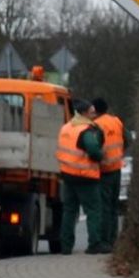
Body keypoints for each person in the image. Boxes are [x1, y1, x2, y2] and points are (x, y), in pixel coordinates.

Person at [55, 99, 106, 254]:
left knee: (69, 211)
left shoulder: (66, 127)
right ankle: (94, 244)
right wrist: (100, 155)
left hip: (68, 175)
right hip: (85, 177)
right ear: (83, 113)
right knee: (93, 210)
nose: (94, 115)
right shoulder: (86, 130)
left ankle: (66, 246)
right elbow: (93, 150)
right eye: (91, 112)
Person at [91, 97, 129, 250]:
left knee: (104, 207)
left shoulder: (96, 125)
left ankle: (105, 241)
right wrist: (119, 152)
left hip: (104, 170)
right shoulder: (116, 121)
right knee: (114, 206)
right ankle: (113, 240)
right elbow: (128, 139)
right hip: (117, 168)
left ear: (95, 110)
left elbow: (94, 148)